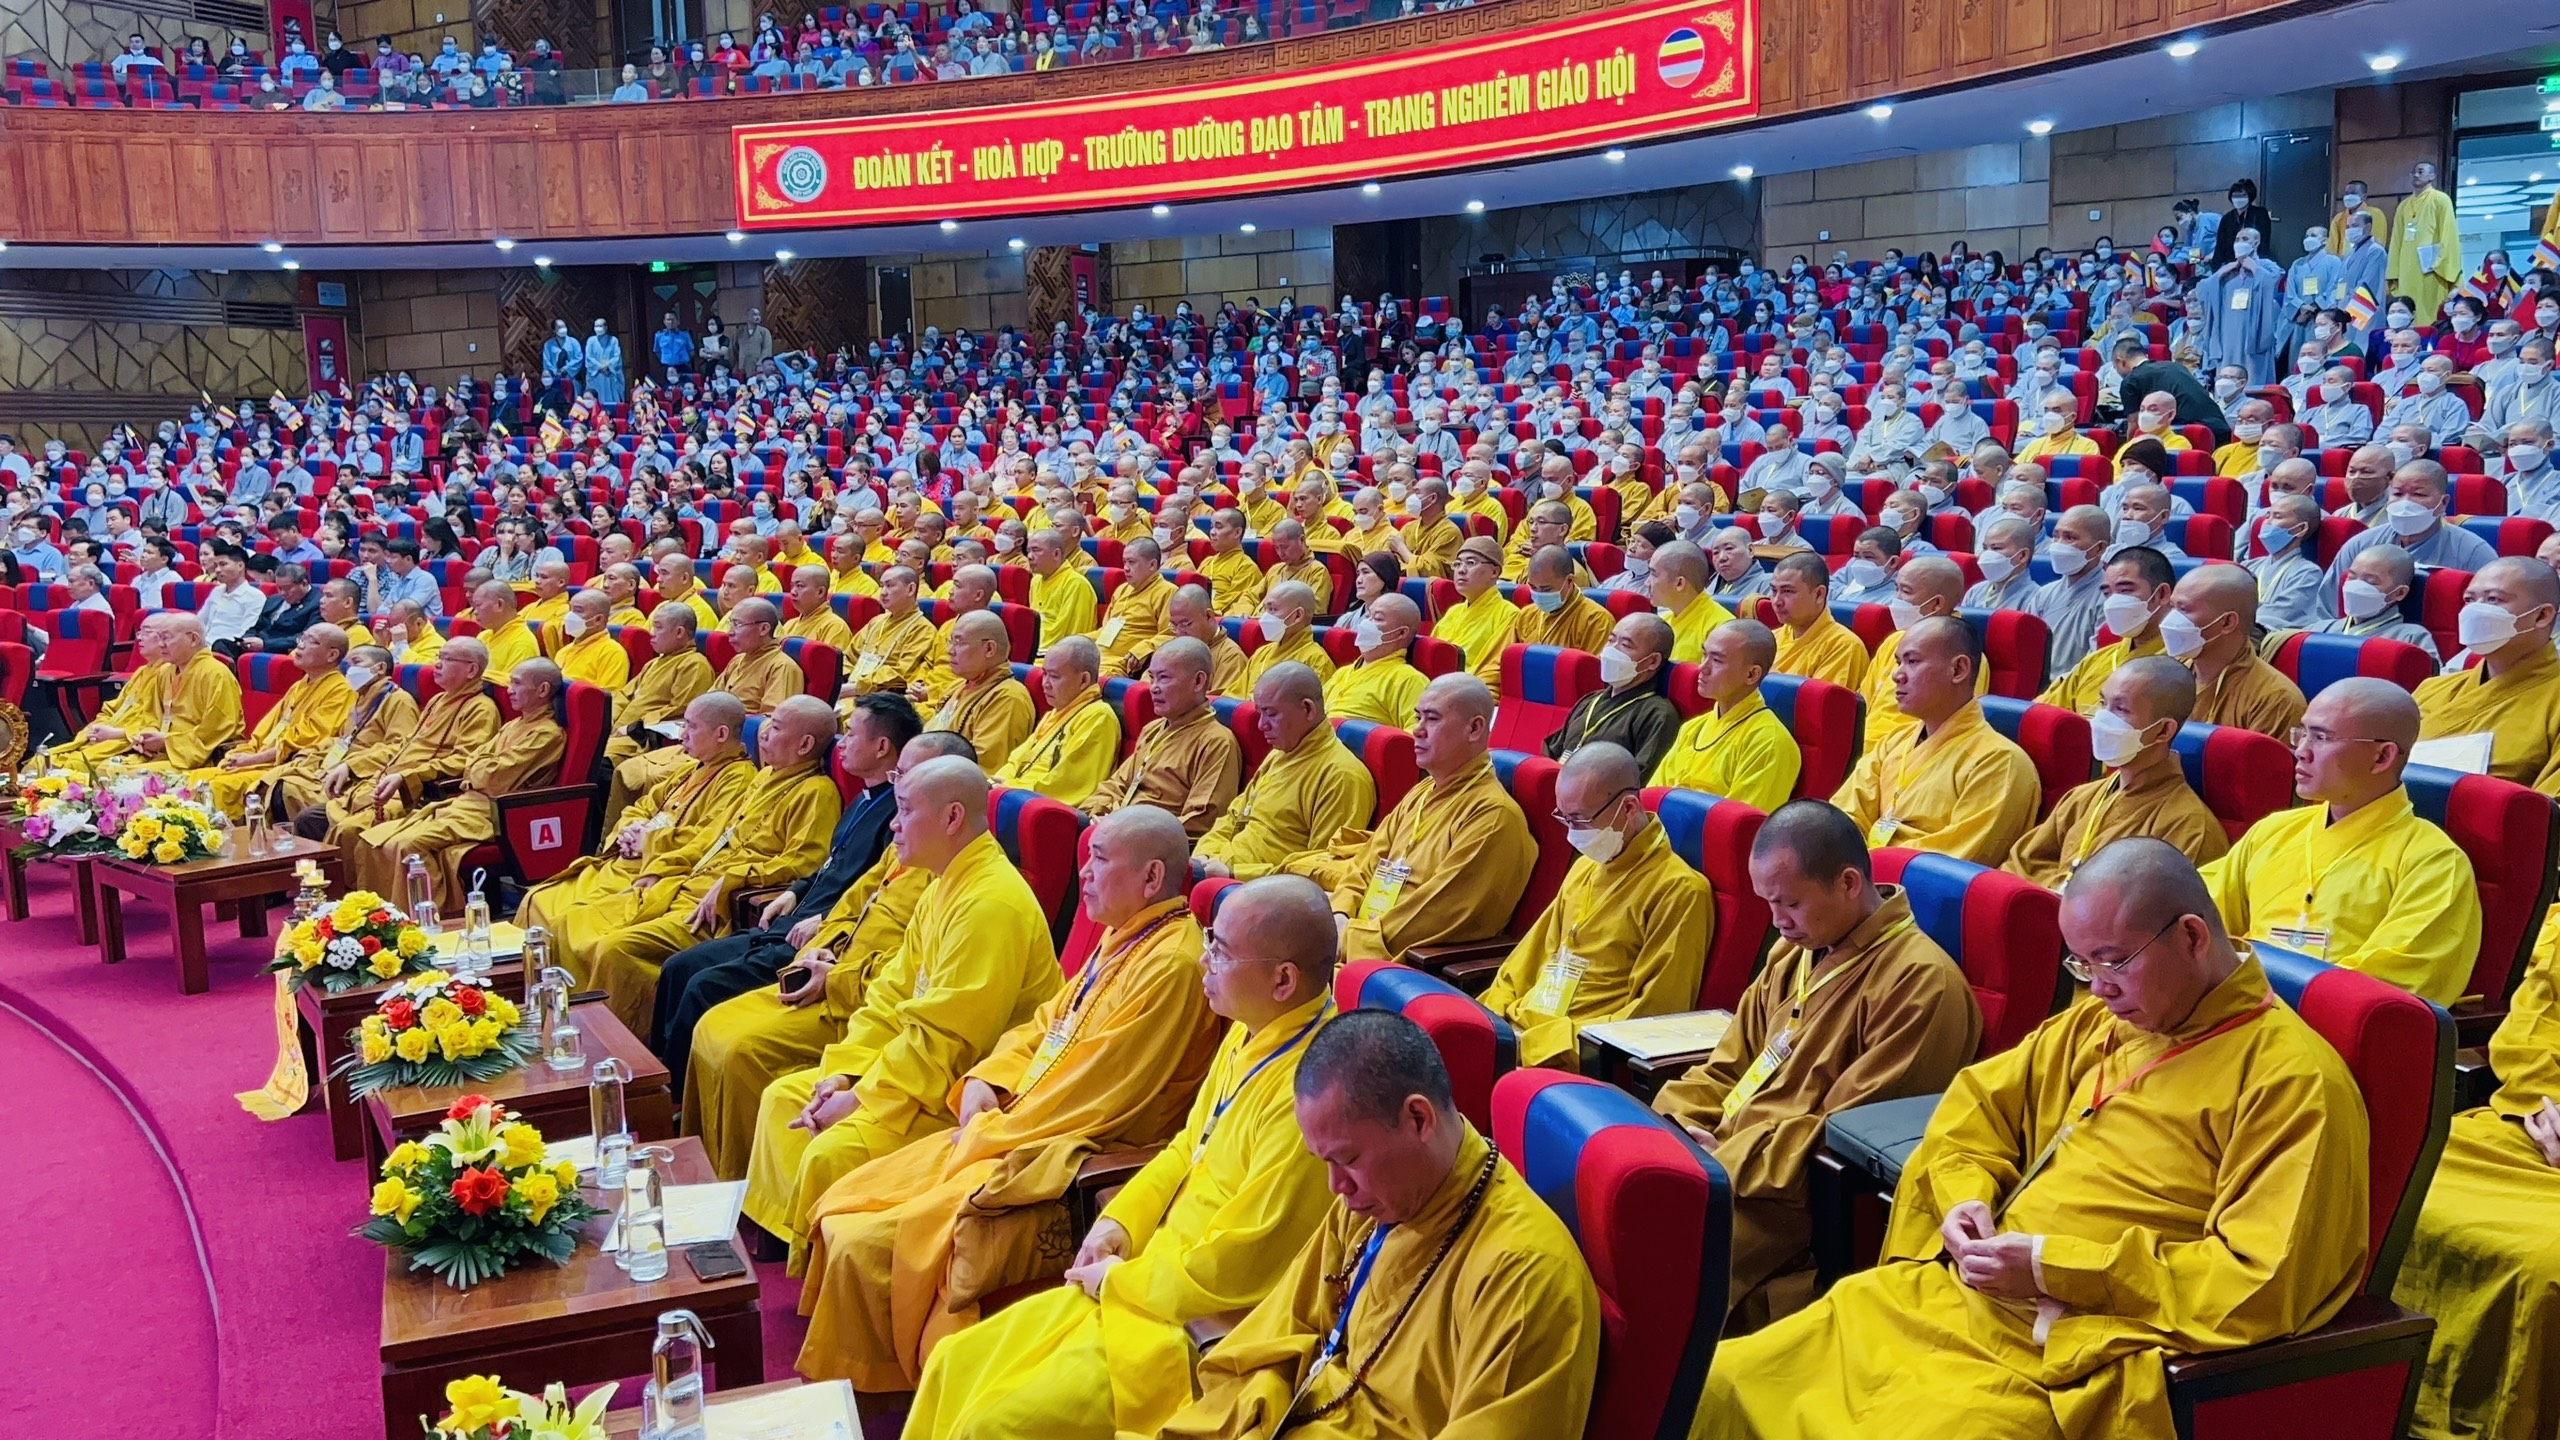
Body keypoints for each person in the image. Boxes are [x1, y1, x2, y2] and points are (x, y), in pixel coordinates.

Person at [1696, 838, 2370, 1440]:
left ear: (2192, 936)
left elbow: (2262, 1278)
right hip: (1959, 1296)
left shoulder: (2292, 1081)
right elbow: (1974, 1111)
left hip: (2073, 1350)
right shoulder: (2098, 1025)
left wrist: (2054, 1266)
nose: (2098, 990)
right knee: (1722, 1382)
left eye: (2113, 962)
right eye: (2082, 967)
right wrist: (1965, 1200)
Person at [796, 805, 1224, 1390]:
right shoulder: (1126, 936)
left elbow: (1096, 1093)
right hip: (1020, 1123)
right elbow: (1047, 1024)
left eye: (1099, 860)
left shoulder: (1171, 965)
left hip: (1066, 1155)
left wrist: (992, 1131)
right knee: (843, 1204)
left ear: (1151, 877)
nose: (1084, 873)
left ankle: (876, 1394)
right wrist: (987, 1079)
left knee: (864, 1242)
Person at [903, 874, 1342, 1440]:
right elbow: (1188, 1146)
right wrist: (1118, 1222)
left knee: (994, 1425)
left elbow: (1246, 1261)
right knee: (954, 1362)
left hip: (1186, 1325)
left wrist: (1120, 1280)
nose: (1203, 960)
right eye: (1210, 941)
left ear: (1283, 979)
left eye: (1221, 951)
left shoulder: (1312, 1095)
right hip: (1142, 1273)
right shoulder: (1253, 1030)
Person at [1155, 1008, 1602, 1438]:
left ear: (1418, 1119)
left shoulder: (1523, 1275)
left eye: (1348, 1159)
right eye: (1324, 1162)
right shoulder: (1372, 1202)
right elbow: (1280, 1329)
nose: (1336, 1187)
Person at [1654, 798, 1980, 1322]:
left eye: (1790, 903)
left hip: (1783, 1199)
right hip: (1718, 1157)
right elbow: (1727, 1067)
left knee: (1650, 1253)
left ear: (1848, 883)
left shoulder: (1922, 985)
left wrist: (1725, 1160)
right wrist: (1667, 1127)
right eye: (1768, 903)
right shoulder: (1794, 952)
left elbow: (1846, 1135)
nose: (1777, 922)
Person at [738, 754, 1063, 1255]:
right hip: (914, 1070)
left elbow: (949, 1040)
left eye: (906, 809)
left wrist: (863, 1099)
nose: (893, 822)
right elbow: (889, 997)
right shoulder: (942, 885)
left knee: (831, 1149)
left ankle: (820, 1265)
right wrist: (845, 1074)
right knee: (782, 1097)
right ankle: (793, 1243)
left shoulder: (990, 903)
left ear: (952, 817)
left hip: (962, 1092)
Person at [570, 696, 846, 1036]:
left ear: (804, 745)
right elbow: (714, 837)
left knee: (617, 949)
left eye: (775, 728)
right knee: (583, 918)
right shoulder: (764, 778)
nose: (762, 733)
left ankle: (623, 1046)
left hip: (720, 906)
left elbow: (803, 863)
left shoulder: (817, 792)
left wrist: (734, 879)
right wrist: (662, 865)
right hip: (687, 882)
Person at [2202, 677, 2481, 1003]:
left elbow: (2390, 991)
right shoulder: (2273, 831)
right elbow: (2201, 921)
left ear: (2382, 757)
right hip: (2237, 1009)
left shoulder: (2433, 861)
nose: (2301, 751)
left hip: (2316, 1023)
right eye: (2302, 733)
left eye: (2321, 737)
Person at [2390, 928, 2560, 1440]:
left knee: (2546, 1265)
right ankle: (2378, 1398)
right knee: (2395, 1186)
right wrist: (2548, 1104)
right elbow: (2533, 1029)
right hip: (2535, 1132)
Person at [1477, 741, 1709, 1067]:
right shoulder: (1585, 867)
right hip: (1519, 1029)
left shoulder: (1679, 890)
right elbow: (1524, 962)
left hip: (1572, 1052)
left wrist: (1530, 1046)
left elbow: (1651, 1016)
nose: (1571, 834)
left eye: (1580, 819)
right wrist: (1491, 1019)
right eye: (1564, 818)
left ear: (1628, 808)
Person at [1283, 674, 1534, 963]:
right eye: (1418, 717)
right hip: (1352, 935)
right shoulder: (1424, 791)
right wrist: (1340, 913)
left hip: (1393, 961)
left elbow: (1437, 913)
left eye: (1432, 719)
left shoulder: (1493, 815)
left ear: (1474, 728)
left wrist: (1346, 937)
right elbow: (1366, 864)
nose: (1417, 730)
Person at [520, 689, 758, 984]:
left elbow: (708, 838)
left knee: (568, 920)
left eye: (691, 726)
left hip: (657, 868)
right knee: (538, 898)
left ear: (721, 734)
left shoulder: (738, 778)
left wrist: (650, 841)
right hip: (631, 859)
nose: (682, 734)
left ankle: (574, 998)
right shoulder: (691, 769)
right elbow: (643, 806)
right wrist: (630, 828)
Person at [341, 655, 565, 916]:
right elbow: (474, 763)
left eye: (516, 683)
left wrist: (478, 768)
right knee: (372, 841)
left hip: (492, 814)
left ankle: (427, 919)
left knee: (408, 846)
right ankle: (379, 918)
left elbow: (491, 777)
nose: (509, 690)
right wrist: (479, 768)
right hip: (463, 803)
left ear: (542, 690)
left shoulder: (546, 734)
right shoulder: (514, 724)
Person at [2005, 657, 2229, 890]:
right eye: (2103, 703)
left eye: (2121, 709)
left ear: (2163, 730)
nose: (2102, 719)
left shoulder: (2189, 827)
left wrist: (2072, 897)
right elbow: (2021, 865)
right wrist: (2059, 892)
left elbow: (2163, 907)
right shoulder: (2081, 798)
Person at [1831, 616, 2039, 864]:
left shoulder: (1999, 762)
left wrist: (1864, 865)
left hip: (1910, 883)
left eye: (1912, 661)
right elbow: (1844, 817)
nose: (1897, 675)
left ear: (1958, 670)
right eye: (1898, 662)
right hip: (1855, 873)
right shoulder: (1894, 741)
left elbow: (1954, 861)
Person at [1194, 662, 1376, 882]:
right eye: (1259, 713)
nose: (1261, 725)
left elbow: (1321, 869)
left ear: (1308, 709)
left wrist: (1234, 874)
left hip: (1263, 889)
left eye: (1271, 714)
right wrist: (1204, 854)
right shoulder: (1279, 753)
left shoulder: (1342, 776)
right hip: (1217, 870)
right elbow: (1233, 817)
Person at [2410, 556, 2560, 790]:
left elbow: (2548, 809)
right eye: (2469, 600)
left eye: (2493, 599)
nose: (2474, 610)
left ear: (2542, 615)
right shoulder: (2432, 689)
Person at [186, 622, 354, 818]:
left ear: (332, 655)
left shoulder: (341, 691)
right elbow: (267, 731)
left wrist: (252, 760)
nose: (301, 645)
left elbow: (308, 742)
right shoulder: (299, 686)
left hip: (288, 766)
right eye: (302, 638)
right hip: (262, 758)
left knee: (214, 788)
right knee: (193, 779)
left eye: (313, 641)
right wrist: (245, 753)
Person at [1078, 638, 1242, 835]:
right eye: (1152, 678)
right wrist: (1095, 813)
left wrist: (1125, 829)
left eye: (1164, 678)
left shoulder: (1216, 741)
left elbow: (1202, 820)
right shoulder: (1153, 729)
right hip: (1115, 828)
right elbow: (1116, 785)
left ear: (1198, 681)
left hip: (1152, 841)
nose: (1153, 688)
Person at [1654, 618, 1801, 811]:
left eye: (1717, 660)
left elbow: (1741, 823)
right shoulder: (1692, 728)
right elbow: (1654, 797)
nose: (1702, 668)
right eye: (1704, 655)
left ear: (1751, 674)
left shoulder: (1770, 743)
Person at [2319, 460, 2498, 614]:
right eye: (2397, 494)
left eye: (2418, 494)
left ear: (2443, 503)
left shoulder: (2473, 551)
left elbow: (2488, 614)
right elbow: (2328, 607)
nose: (2405, 502)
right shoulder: (2361, 544)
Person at [2162, 562, 2307, 741]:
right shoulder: (2166, 676)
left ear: (2227, 622)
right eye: (2172, 607)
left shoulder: (2275, 699)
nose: (2170, 619)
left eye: (2183, 609)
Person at [273, 644, 418, 820]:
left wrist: (351, 766)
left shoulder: (399, 700)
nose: (350, 670)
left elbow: (400, 750)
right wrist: (310, 753)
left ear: (380, 668)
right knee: (279, 780)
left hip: (365, 776)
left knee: (290, 790)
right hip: (336, 768)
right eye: (348, 665)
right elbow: (342, 741)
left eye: (356, 662)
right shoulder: (359, 699)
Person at [2039, 545, 2174, 717]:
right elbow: (2042, 714)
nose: (2113, 602)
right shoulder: (2094, 662)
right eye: (2108, 594)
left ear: (2162, 594)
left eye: (2125, 590)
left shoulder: (2186, 666)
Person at [1859, 555, 1977, 751]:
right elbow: (1864, 702)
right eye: (1896, 589)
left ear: (1937, 604)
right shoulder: (1894, 640)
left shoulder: (1961, 656)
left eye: (1905, 591)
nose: (1896, 600)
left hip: (1907, 750)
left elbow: (1950, 726)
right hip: (1864, 746)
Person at [1543, 612, 1681, 773]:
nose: (1611, 650)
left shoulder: (1657, 715)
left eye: (1625, 645)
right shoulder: (1590, 701)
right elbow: (1553, 753)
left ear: (1652, 661)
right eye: (1611, 640)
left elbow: (1642, 777)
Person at [991, 635, 1121, 804]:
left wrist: (1008, 789)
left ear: (1084, 680)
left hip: (1039, 805)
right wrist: (996, 783)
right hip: (1015, 794)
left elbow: (1068, 783)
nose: (1045, 683)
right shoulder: (1056, 712)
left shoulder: (1099, 716)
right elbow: (1016, 760)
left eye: (1054, 676)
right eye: (1044, 674)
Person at [1322, 593, 1429, 728]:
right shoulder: (1342, 673)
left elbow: (1419, 733)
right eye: (1367, 616)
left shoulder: (1409, 680)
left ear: (1401, 633)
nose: (1366, 623)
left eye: (1377, 618)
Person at [1765, 553, 1869, 691]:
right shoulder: (1771, 639)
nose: (1776, 601)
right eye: (1774, 590)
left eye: (1787, 591)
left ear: (1819, 594)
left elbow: (1821, 701)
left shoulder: (1843, 646)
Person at [2109, 334, 2232, 444]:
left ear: (2120, 361)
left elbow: (2135, 426)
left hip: (2191, 435)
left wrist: (2127, 449)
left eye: (2115, 367)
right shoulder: (2176, 366)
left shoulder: (2130, 381)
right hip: (2222, 429)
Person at [844, 566, 942, 695]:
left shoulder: (923, 629)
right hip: (850, 686)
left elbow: (901, 672)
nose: (883, 592)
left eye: (890, 586)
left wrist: (857, 687)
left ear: (911, 589)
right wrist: (846, 678)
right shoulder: (876, 621)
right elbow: (849, 656)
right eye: (882, 586)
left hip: (881, 695)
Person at [2388, 160, 2462, 328]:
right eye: (2413, 172)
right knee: (2407, 309)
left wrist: (2442, 265)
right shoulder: (2403, 206)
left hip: (2431, 268)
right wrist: (2394, 272)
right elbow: (2396, 241)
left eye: (2420, 171)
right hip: (2406, 269)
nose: (2416, 175)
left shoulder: (2440, 200)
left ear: (2432, 176)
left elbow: (2449, 234)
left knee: (2430, 312)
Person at [1647, 540, 1737, 663]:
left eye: (1654, 574)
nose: (1647, 583)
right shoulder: (1663, 622)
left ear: (1679, 583)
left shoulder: (1720, 630)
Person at [1244, 581, 1334, 686]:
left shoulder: (1317, 661)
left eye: (1272, 609)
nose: (1264, 617)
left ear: (1298, 615)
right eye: (1266, 610)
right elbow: (1234, 694)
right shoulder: (1262, 653)